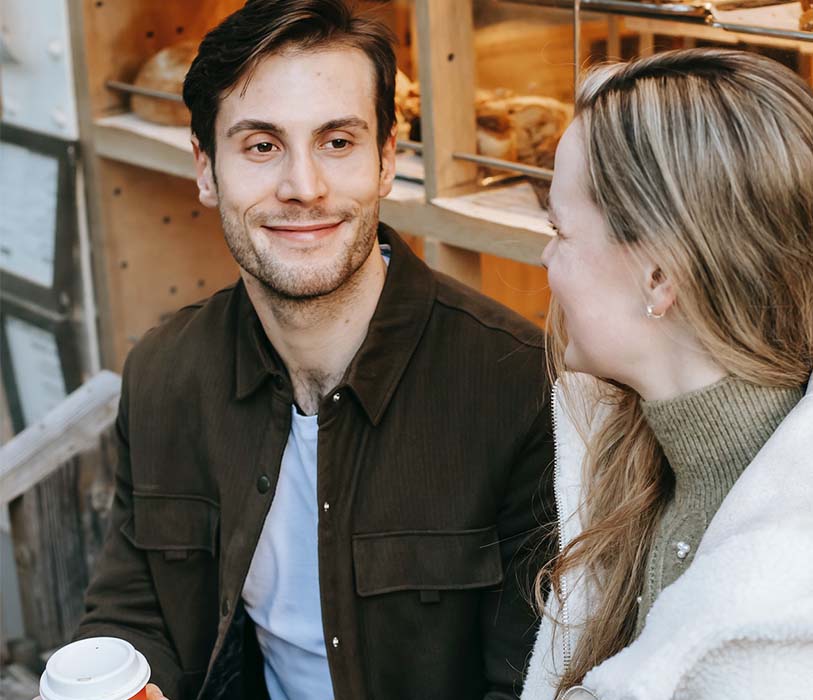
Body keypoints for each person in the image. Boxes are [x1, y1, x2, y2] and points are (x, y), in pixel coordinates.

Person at [71, 1, 556, 699]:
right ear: (206, 171)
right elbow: (135, 607)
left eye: (337, 142)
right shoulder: (164, 373)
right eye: (262, 146)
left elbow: (531, 679)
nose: (304, 188)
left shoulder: (516, 386)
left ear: (387, 160)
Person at [521, 48, 813, 700]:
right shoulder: (632, 460)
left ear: (657, 277)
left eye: (559, 231)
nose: (545, 258)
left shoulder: (787, 626)